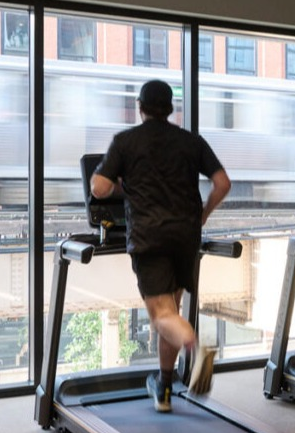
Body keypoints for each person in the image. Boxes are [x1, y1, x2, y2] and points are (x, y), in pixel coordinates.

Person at [91, 80, 232, 412]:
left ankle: (196, 349)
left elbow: (98, 187)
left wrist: (121, 186)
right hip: (185, 237)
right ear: (171, 108)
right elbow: (223, 183)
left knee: (162, 316)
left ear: (140, 106)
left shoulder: (126, 142)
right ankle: (164, 388)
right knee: (173, 313)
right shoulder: (190, 142)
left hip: (149, 236)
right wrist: (203, 214)